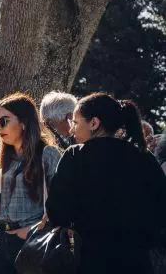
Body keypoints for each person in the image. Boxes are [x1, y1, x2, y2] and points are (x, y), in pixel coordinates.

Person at [45, 93, 166, 274]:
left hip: (88, 259)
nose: (71, 130)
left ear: (94, 123)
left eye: (76, 123)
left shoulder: (74, 156)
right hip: (136, 260)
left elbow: (57, 212)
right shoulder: (143, 156)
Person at [0, 93, 62, 274]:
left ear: (24, 122)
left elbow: (60, 204)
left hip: (34, 240)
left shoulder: (47, 154)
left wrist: (29, 230)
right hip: (1, 238)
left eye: (4, 121)